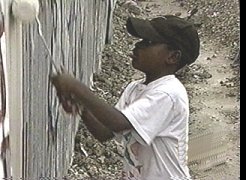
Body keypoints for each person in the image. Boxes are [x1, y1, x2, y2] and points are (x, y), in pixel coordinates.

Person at [51, 15, 200, 180]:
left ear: (172, 57)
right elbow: (106, 132)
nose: (137, 45)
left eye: (148, 42)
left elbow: (118, 122)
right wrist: (83, 108)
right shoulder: (135, 89)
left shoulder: (168, 94)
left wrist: (76, 87)